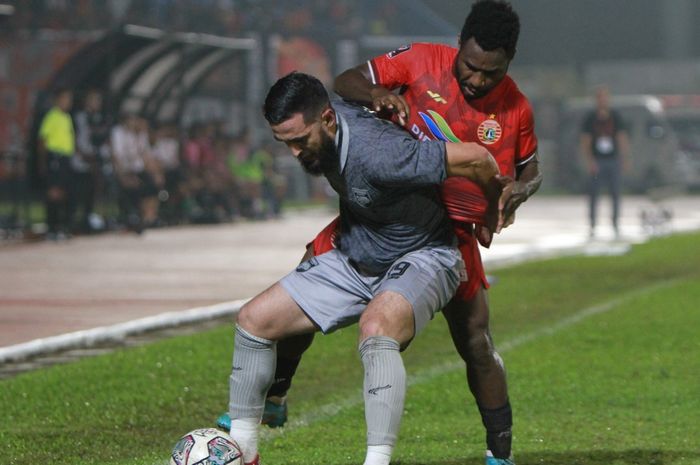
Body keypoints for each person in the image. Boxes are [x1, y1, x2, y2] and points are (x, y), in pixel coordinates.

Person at [219, 2, 541, 464]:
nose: (475, 80)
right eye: (469, 66)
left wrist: (505, 197)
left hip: (443, 233)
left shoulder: (514, 109)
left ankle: (499, 452)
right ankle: (270, 405)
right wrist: (374, 94)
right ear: (458, 48)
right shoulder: (418, 63)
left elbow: (521, 169)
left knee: (472, 341)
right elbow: (346, 81)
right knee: (283, 300)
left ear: (508, 61)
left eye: (489, 73)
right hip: (369, 221)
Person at [579, 85, 631, 239]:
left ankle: (615, 224)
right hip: (598, 160)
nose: (603, 101)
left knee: (615, 193)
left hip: (612, 159)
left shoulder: (615, 116)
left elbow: (622, 138)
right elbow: (585, 141)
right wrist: (589, 160)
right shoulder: (590, 118)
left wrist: (624, 158)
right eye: (600, 98)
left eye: (605, 98)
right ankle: (593, 225)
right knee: (594, 194)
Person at [37, 87, 76, 240]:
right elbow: (42, 140)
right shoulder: (51, 116)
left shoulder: (66, 117)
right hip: (55, 157)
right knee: (54, 192)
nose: (68, 102)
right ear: (57, 100)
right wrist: (43, 162)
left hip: (66, 158)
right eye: (65, 99)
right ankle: (51, 228)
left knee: (64, 193)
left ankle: (62, 226)